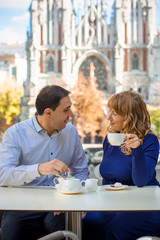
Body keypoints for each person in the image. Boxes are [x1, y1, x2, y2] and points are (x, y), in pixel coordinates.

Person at [0, 85, 89, 240]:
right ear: (48, 112)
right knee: (12, 232)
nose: (71, 114)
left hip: (60, 205)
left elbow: (81, 171)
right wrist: (39, 169)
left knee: (64, 227)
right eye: (66, 110)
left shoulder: (71, 132)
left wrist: (70, 196)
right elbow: (3, 174)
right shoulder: (15, 134)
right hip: (23, 205)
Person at [82, 90, 160, 240]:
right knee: (89, 222)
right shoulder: (110, 140)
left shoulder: (149, 140)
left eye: (115, 113)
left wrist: (137, 151)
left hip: (145, 206)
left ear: (130, 117)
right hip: (113, 205)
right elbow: (108, 178)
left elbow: (141, 181)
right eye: (109, 112)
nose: (109, 118)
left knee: (114, 229)